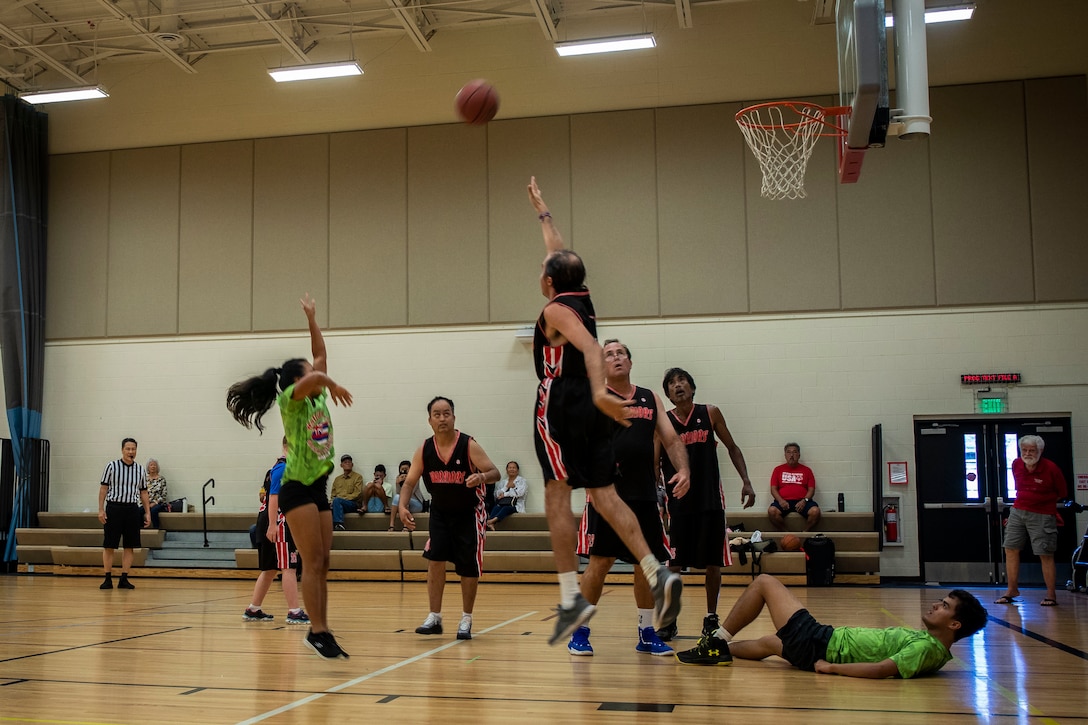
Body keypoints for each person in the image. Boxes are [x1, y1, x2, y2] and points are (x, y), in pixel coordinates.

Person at [527, 176, 683, 645]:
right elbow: (559, 256)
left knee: (557, 496)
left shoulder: (556, 311)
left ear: (550, 282)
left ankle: (570, 597)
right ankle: (656, 572)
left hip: (562, 400)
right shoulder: (582, 294)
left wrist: (598, 392)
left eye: (544, 270)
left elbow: (592, 349)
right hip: (588, 409)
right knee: (605, 496)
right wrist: (543, 212)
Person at [226, 293, 353, 660]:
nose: (316, 373)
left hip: (320, 487)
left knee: (323, 563)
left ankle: (321, 630)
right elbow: (318, 374)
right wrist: (328, 381)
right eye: (310, 374)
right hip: (297, 489)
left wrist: (312, 319)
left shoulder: (317, 399)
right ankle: (318, 631)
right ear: (300, 380)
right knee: (310, 563)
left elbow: (320, 360)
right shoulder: (291, 401)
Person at [569, 339, 691, 657]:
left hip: (644, 496)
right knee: (599, 562)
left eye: (621, 353)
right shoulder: (595, 398)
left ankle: (646, 632)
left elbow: (672, 439)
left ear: (630, 362)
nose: (616, 357)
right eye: (609, 354)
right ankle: (579, 632)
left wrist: (684, 470)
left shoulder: (649, 398)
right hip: (607, 496)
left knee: (645, 563)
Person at [676, 574, 988, 677]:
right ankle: (723, 651)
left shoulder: (926, 649)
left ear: (955, 624)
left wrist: (831, 668)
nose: (936, 605)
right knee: (772, 643)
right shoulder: (932, 646)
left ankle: (716, 641)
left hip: (822, 643)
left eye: (945, 607)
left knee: (765, 582)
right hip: (819, 644)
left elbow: (882, 669)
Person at [658, 367, 756, 641]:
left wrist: (746, 481)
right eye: (672, 383)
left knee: (713, 564)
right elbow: (654, 464)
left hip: (710, 500)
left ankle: (711, 617)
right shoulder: (663, 423)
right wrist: (657, 500)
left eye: (683, 381)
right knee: (673, 565)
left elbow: (732, 448)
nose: (678, 386)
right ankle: (669, 618)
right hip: (677, 504)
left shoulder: (710, 413)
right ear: (667, 393)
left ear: (692, 387)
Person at [398, 396, 500, 640]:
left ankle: (466, 618)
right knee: (435, 560)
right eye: (437, 414)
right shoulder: (424, 449)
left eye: (446, 413)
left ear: (454, 417)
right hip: (440, 513)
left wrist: (481, 478)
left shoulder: (468, 445)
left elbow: (494, 472)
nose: (442, 418)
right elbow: (410, 481)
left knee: (467, 566)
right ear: (430, 420)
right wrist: (402, 506)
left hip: (469, 513)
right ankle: (435, 617)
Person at [995, 434, 1068, 607]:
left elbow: (1062, 492)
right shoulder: (1016, 464)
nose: (1027, 453)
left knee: (1045, 553)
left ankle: (1051, 594)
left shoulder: (1051, 468)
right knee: (1010, 548)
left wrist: (1042, 503)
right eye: (1024, 450)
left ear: (1040, 451)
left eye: (1032, 450)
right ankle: (1012, 589)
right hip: (1018, 510)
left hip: (1042, 514)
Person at [244, 437, 309, 625]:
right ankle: (294, 611)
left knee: (270, 568)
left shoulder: (284, 467)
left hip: (272, 520)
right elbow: (273, 498)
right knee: (289, 565)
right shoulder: (283, 468)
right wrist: (273, 525)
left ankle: (253, 609)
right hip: (278, 521)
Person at [98, 437, 151, 590]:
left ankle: (124, 578)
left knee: (130, 545)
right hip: (114, 508)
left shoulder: (140, 469)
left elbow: (144, 492)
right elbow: (103, 489)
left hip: (132, 509)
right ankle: (107, 578)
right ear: (122, 450)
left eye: (133, 449)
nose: (131, 452)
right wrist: (101, 509)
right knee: (109, 545)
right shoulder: (111, 466)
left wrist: (147, 512)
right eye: (128, 449)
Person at [767, 442, 821, 532]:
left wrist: (804, 501)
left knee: (815, 511)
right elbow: (773, 489)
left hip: (803, 502)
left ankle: (805, 533)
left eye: (795, 452)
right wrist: (780, 501)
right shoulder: (778, 469)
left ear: (799, 455)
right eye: (788, 452)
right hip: (784, 502)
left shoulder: (807, 470)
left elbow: (811, 490)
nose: (791, 455)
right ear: (785, 455)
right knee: (772, 511)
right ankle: (787, 534)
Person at [486, 461, 527, 531]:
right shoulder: (503, 482)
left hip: (515, 505)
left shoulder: (521, 481)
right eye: (510, 468)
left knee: (506, 508)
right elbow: (496, 494)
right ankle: (491, 524)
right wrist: (506, 487)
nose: (512, 469)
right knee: (496, 507)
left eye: (514, 468)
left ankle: (492, 521)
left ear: (517, 470)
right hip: (502, 503)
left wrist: (504, 494)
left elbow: (520, 493)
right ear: (507, 470)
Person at [330, 454, 365, 531]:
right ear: (341, 465)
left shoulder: (357, 477)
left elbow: (357, 493)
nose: (348, 463)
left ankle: (339, 524)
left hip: (352, 503)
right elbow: (333, 495)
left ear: (352, 465)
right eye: (345, 462)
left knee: (337, 501)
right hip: (338, 503)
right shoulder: (337, 479)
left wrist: (341, 498)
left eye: (349, 462)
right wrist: (331, 502)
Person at [390, 460, 426, 531]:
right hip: (405, 505)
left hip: (417, 504)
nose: (404, 470)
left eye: (406, 469)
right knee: (397, 497)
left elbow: (409, 493)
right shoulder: (399, 478)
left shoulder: (414, 477)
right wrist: (398, 484)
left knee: (405, 499)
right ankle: (391, 525)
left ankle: (406, 526)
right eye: (402, 469)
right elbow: (398, 493)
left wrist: (407, 482)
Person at [146, 458, 170, 529]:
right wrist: (146, 504)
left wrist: (154, 503)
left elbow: (164, 495)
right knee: (138, 511)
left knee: (153, 511)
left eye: (154, 465)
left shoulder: (161, 479)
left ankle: (156, 529)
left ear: (157, 467)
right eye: (151, 465)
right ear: (148, 467)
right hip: (146, 503)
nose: (153, 467)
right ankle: (141, 530)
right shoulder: (144, 479)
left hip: (158, 503)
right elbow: (140, 493)